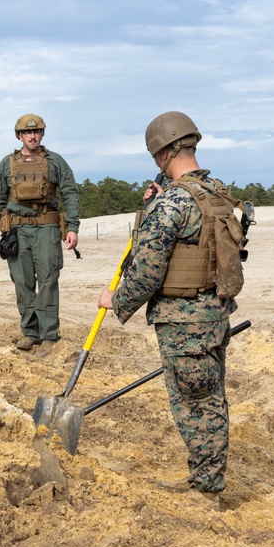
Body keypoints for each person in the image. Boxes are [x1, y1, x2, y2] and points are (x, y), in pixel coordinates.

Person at [97, 111, 236, 510]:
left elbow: (146, 272)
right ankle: (206, 479)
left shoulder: (173, 202)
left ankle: (207, 491)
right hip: (214, 313)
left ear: (163, 153)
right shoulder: (216, 192)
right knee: (211, 397)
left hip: (182, 321)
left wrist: (116, 300)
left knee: (195, 404)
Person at [0, 114, 80, 358]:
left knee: (48, 279)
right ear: (19, 135)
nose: (32, 136)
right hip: (16, 230)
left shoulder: (55, 161)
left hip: (47, 228)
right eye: (27, 132)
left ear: (42, 134)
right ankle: (30, 332)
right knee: (23, 282)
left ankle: (49, 336)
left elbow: (70, 193)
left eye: (37, 131)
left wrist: (72, 227)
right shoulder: (7, 164)